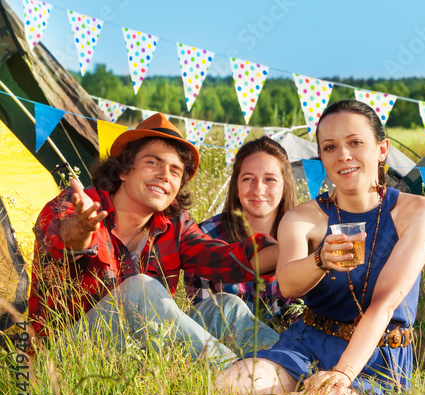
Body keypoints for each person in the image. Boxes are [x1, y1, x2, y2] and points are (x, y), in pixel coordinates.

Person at [214, 99, 425, 395]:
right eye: (330, 147)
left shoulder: (415, 212)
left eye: (355, 142)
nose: (343, 155)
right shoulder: (302, 218)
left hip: (376, 355)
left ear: (382, 149)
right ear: (321, 157)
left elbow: (385, 303)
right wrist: (320, 259)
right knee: (228, 386)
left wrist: (342, 375)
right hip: (308, 341)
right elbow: (289, 285)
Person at [28, 113, 281, 366]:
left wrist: (298, 250)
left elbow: (225, 259)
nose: (164, 175)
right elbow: (64, 238)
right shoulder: (78, 205)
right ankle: (242, 383)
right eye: (153, 162)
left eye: (175, 171)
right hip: (64, 359)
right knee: (140, 288)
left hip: (136, 358)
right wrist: (82, 228)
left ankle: (293, 378)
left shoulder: (175, 226)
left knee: (226, 307)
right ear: (124, 170)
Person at [189, 137, 299, 326]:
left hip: (292, 347)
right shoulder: (207, 235)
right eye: (248, 179)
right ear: (236, 187)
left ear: (285, 185)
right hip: (224, 347)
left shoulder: (301, 234)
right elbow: (203, 316)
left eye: (270, 179)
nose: (258, 190)